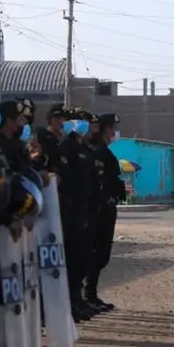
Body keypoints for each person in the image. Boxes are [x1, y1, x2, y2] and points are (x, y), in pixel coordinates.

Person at [59, 109, 98, 322]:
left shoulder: (83, 148)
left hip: (84, 209)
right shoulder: (67, 147)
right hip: (71, 210)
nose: (84, 125)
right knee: (72, 258)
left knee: (82, 258)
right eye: (80, 121)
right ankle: (71, 302)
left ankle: (78, 299)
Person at [86, 113, 125, 311]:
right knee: (96, 253)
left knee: (102, 254)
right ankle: (87, 295)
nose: (113, 132)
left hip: (107, 206)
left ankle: (91, 294)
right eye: (111, 127)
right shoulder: (97, 151)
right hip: (100, 209)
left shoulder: (104, 151)